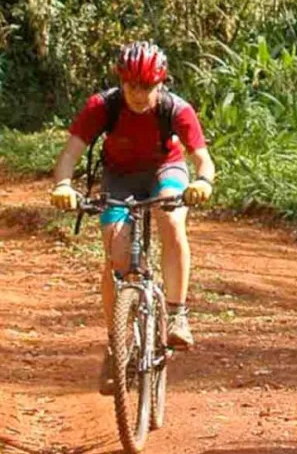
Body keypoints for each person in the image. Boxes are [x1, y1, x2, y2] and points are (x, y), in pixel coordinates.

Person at [49, 41, 216, 395]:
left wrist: (202, 181)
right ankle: (116, 345)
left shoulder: (176, 109)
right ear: (121, 82)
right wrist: (63, 185)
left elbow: (202, 158)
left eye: (148, 87)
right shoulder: (102, 107)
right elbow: (69, 155)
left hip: (165, 170)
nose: (140, 95)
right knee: (117, 255)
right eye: (132, 86)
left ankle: (177, 313)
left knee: (171, 217)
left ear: (162, 83)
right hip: (119, 177)